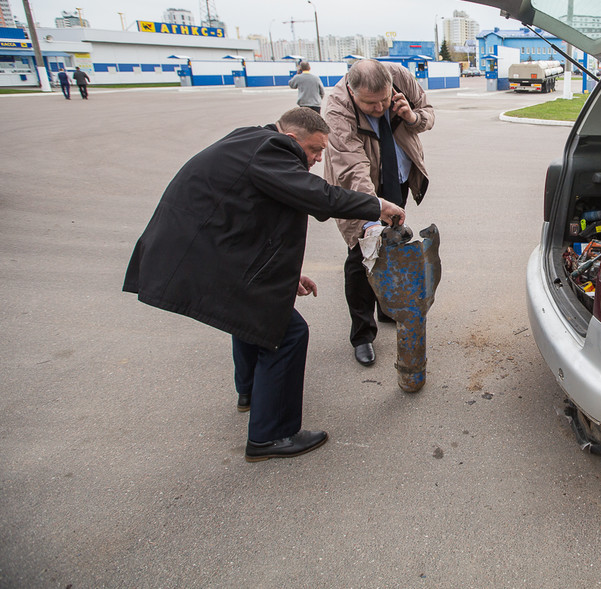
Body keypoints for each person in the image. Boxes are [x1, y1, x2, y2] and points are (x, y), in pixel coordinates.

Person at [123, 107, 405, 462]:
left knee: (251, 315)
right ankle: (271, 436)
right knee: (287, 333)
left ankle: (252, 394)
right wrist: (375, 205)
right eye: (315, 150)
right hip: (201, 253)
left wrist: (287, 277)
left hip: (206, 249)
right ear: (291, 138)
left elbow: (252, 220)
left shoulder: (251, 141)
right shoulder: (273, 149)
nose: (318, 160)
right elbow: (317, 195)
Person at [323, 59, 434, 367]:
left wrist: (410, 116)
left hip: (396, 176)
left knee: (393, 244)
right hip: (358, 186)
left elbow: (428, 114)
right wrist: (374, 209)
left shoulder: (400, 76)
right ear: (351, 90)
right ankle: (362, 334)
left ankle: (387, 307)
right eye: (370, 104)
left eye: (385, 100)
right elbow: (351, 167)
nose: (379, 107)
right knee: (361, 255)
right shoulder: (336, 107)